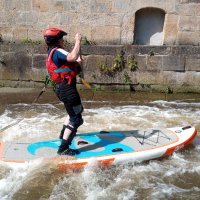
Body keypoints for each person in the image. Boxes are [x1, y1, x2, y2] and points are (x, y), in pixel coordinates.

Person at [43, 27, 83, 156]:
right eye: (61, 39)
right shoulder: (58, 51)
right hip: (67, 89)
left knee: (72, 113)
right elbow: (71, 56)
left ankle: (63, 135)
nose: (63, 41)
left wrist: (77, 62)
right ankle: (64, 148)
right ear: (57, 40)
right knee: (77, 118)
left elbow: (69, 62)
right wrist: (78, 41)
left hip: (60, 88)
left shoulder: (51, 51)